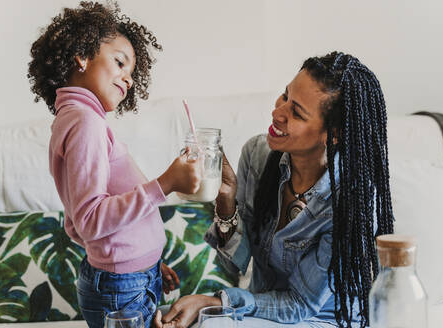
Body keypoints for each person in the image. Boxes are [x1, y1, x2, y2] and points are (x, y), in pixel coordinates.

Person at [154, 51, 394, 328]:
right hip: (261, 309)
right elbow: (236, 264)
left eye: (296, 112)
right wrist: (226, 200)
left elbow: (300, 305)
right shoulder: (257, 155)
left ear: (334, 134)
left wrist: (217, 303)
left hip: (322, 320)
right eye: (285, 96)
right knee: (160, 316)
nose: (277, 112)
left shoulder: (350, 203)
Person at [27, 2, 201, 328]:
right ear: (82, 55)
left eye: (133, 72)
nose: (129, 79)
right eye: (120, 62)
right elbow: (91, 219)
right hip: (123, 288)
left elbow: (77, 224)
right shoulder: (85, 124)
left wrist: (141, 260)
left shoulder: (77, 120)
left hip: (129, 279)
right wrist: (166, 183)